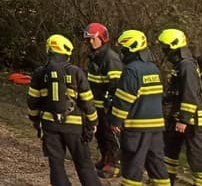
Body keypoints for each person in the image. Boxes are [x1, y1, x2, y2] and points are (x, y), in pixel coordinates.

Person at [26, 34, 101, 186]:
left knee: (56, 165)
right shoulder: (76, 72)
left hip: (50, 126)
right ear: (67, 52)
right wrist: (93, 121)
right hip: (75, 127)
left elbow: (33, 101)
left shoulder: (40, 73)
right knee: (84, 164)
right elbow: (87, 101)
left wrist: (35, 120)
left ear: (49, 50)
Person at [108, 30, 170, 186]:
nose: (122, 53)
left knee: (133, 165)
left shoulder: (131, 70)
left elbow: (123, 101)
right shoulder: (154, 69)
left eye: (123, 49)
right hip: (156, 128)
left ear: (131, 48)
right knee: (157, 165)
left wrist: (115, 121)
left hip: (136, 128)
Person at [157, 29, 202, 186]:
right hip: (179, 117)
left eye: (165, 47)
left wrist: (184, 119)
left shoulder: (187, 66)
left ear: (174, 46)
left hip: (193, 120)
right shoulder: (180, 64)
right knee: (169, 152)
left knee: (197, 156)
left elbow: (190, 95)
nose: (163, 50)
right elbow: (176, 92)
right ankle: (165, 182)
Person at [85, 22, 124, 178]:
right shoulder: (95, 57)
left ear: (101, 38)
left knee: (110, 136)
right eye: (87, 39)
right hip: (97, 104)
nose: (89, 42)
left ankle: (114, 165)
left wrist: (111, 104)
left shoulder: (110, 58)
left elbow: (115, 85)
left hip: (108, 107)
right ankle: (105, 158)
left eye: (92, 39)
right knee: (100, 134)